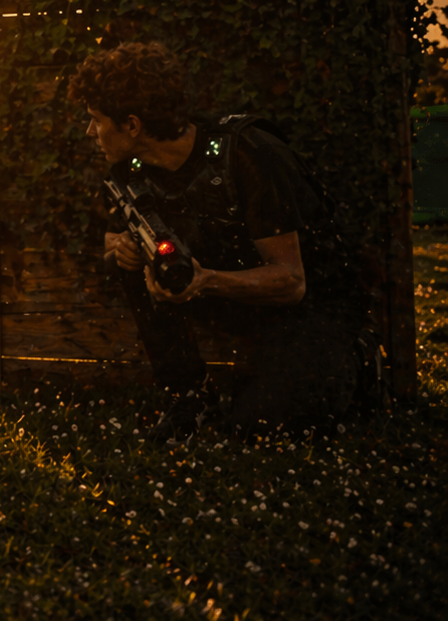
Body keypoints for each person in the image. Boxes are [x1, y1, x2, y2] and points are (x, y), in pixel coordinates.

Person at [69, 42, 365, 442]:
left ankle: (360, 364)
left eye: (96, 119)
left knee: (262, 427)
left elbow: (293, 281)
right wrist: (120, 244)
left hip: (310, 307)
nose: (90, 131)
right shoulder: (130, 167)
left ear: (133, 125)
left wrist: (206, 279)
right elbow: (106, 236)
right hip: (232, 296)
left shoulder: (251, 155)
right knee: (134, 259)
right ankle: (189, 394)